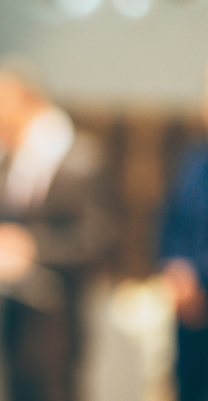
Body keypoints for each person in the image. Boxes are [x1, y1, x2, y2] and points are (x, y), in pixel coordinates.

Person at [0, 65, 117, 401]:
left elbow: (97, 239)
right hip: (11, 309)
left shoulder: (80, 157)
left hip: (58, 316)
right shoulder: (7, 160)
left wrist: (31, 247)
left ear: (23, 101)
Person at [158, 67, 208, 401]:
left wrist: (200, 278)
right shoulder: (195, 159)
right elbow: (172, 221)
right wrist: (177, 269)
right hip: (190, 312)